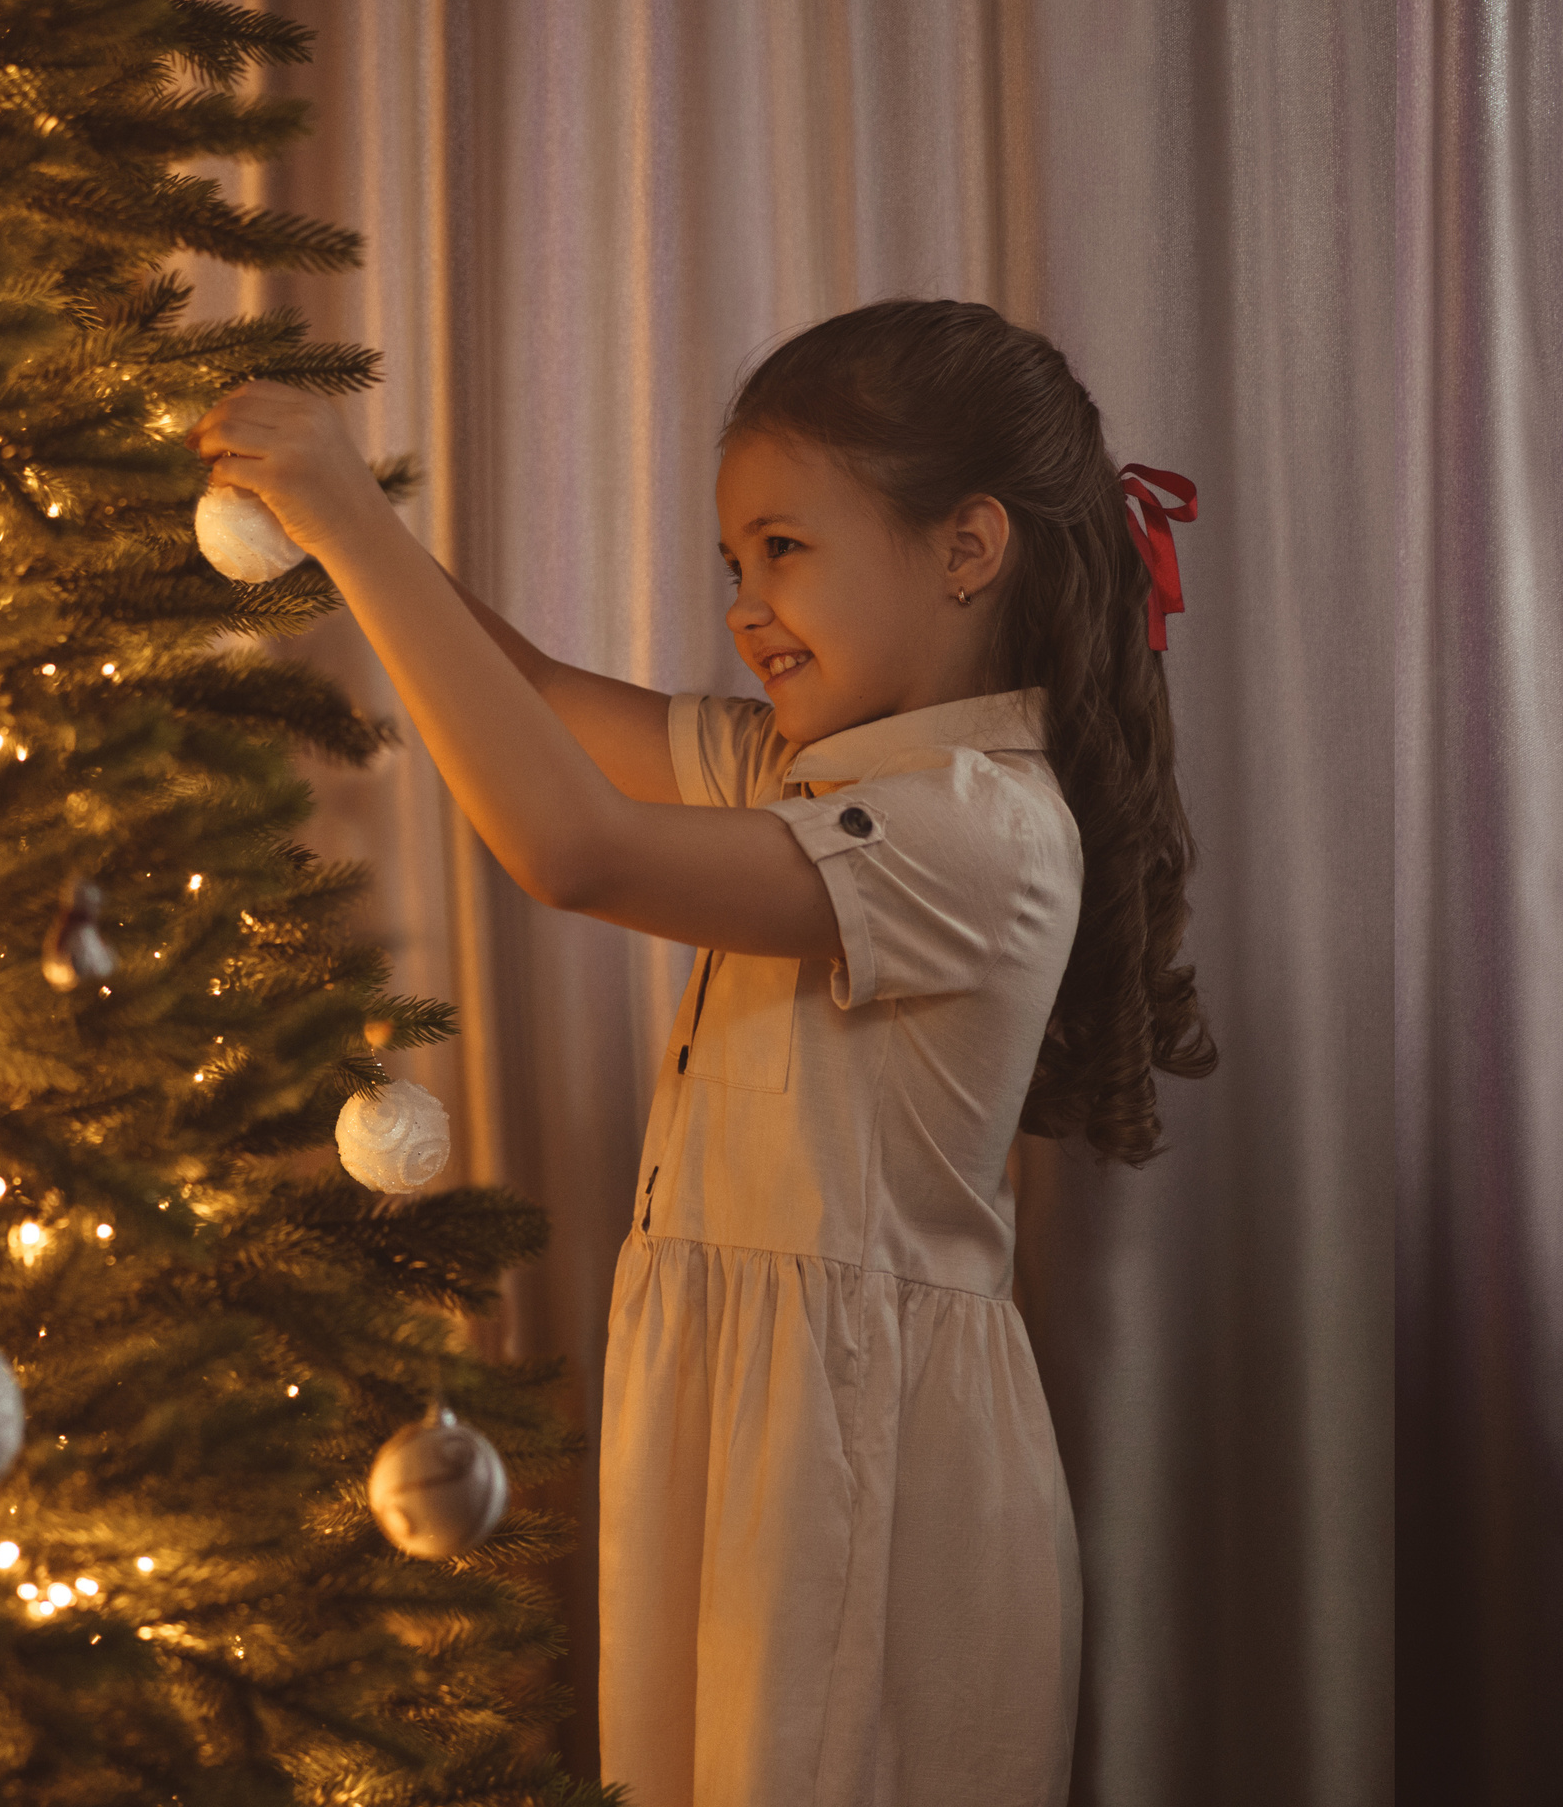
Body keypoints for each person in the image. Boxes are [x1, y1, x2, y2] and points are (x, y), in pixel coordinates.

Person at [186, 297, 1218, 1807]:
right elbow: (538, 703)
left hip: (856, 1452)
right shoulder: (801, 769)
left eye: (783, 549)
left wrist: (350, 516)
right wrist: (337, 531)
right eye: (734, 564)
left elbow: (577, 849)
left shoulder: (981, 828)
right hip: (746, 1418)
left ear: (966, 548)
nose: (745, 605)